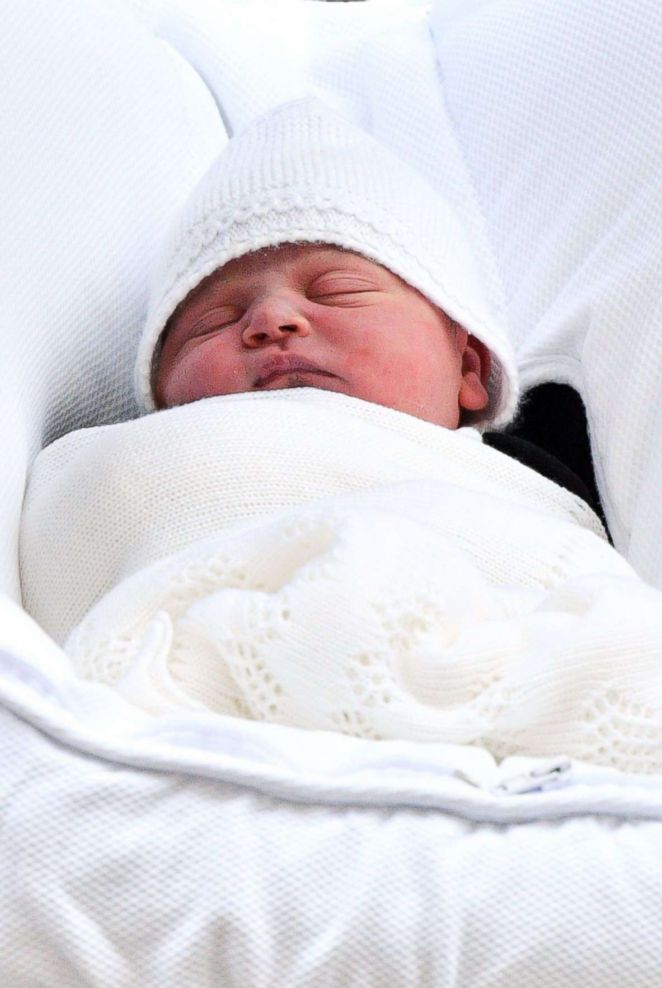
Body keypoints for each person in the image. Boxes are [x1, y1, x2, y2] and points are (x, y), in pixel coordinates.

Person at [20, 98, 662, 772]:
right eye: (214, 319)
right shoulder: (130, 460)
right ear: (162, 399)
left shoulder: (519, 498)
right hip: (175, 729)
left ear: (468, 369)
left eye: (336, 290)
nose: (270, 320)